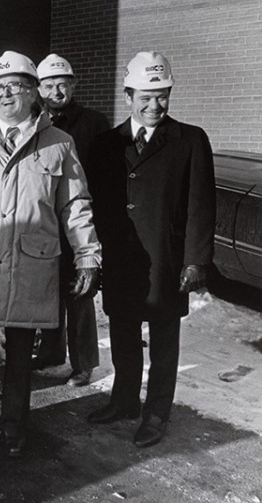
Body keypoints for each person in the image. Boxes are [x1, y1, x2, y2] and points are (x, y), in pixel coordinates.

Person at [0, 51, 101, 457]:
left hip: (31, 264)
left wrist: (87, 255)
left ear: (34, 93)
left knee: (18, 357)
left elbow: (75, 205)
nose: (7, 93)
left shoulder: (59, 144)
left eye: (17, 86)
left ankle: (14, 425)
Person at [85, 51, 215, 448]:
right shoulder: (106, 144)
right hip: (122, 258)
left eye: (162, 95)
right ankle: (124, 400)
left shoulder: (190, 139)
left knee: (163, 342)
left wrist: (195, 260)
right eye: (146, 96)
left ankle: (156, 412)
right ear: (128, 96)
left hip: (166, 259)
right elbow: (95, 202)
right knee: (123, 333)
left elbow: (201, 205)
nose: (154, 105)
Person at [32, 53, 111, 386]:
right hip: (46, 221)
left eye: (62, 84)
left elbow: (106, 178)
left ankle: (84, 363)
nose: (56, 91)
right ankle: (51, 351)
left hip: (79, 220)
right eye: (48, 85)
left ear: (74, 84)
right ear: (39, 88)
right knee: (48, 292)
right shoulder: (35, 122)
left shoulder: (93, 123)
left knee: (79, 295)